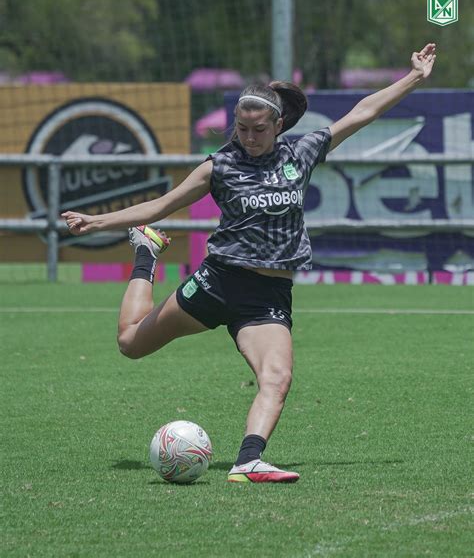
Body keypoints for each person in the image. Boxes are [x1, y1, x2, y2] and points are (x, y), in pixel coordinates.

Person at [63, 43, 436, 483]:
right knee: (130, 344)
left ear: (279, 125)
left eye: (259, 129)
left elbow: (362, 113)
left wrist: (414, 77)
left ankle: (248, 461)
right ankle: (145, 255)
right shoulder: (218, 166)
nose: (249, 137)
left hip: (268, 297)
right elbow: (160, 206)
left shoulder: (302, 153)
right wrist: (97, 220)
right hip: (218, 281)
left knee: (277, 377)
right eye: (242, 129)